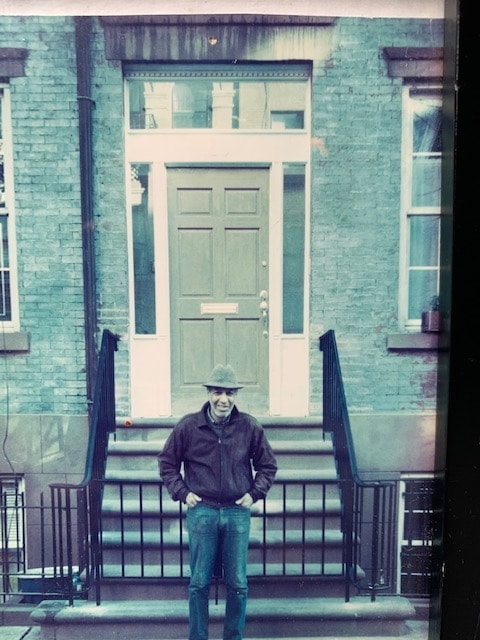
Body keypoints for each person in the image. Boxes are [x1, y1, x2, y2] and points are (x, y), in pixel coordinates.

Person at [158, 364, 278, 640]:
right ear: (209, 394)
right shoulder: (189, 426)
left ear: (235, 395)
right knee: (199, 582)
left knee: (237, 583)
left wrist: (255, 493)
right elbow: (167, 463)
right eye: (217, 392)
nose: (223, 399)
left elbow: (268, 466)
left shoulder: (248, 426)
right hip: (202, 511)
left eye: (229, 393)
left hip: (237, 512)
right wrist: (182, 492)